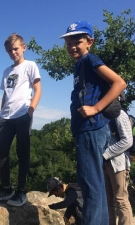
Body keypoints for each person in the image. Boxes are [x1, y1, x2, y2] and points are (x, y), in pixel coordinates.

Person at [60, 21, 126, 225]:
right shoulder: (81, 64)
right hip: (87, 130)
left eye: (77, 41)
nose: (72, 46)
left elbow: (119, 82)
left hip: (91, 129)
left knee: (90, 185)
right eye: (68, 42)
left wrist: (96, 108)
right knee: (95, 184)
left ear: (90, 42)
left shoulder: (89, 60)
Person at [0, 33, 42, 207]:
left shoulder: (30, 66)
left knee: (22, 153)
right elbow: (6, 94)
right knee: (1, 152)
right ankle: (5, 188)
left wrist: (30, 112)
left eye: (15, 49)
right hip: (6, 117)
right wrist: (0, 114)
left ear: (24, 48)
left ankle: (21, 192)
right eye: (10, 50)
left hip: (22, 114)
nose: (13, 53)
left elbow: (38, 90)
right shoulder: (7, 71)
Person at [103, 109, 133, 225]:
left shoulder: (119, 113)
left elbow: (128, 140)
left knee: (121, 200)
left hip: (118, 164)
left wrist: (106, 153)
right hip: (105, 163)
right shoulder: (103, 114)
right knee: (108, 200)